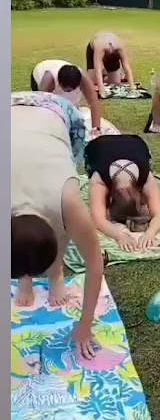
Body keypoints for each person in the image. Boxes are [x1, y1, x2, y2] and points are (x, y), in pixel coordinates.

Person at [11, 94, 103, 358]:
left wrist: (85, 325)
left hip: (54, 110)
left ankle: (56, 272)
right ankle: (25, 278)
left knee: (63, 213)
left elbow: (95, 264)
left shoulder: (68, 203)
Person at [85, 134, 160, 251]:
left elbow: (159, 215)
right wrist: (120, 236)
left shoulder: (146, 176)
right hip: (100, 144)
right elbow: (98, 220)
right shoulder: (99, 179)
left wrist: (150, 234)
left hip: (135, 142)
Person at [31, 60, 102, 132]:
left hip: (64, 77)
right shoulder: (48, 79)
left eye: (70, 90)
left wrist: (96, 129)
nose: (68, 91)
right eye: (67, 90)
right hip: (41, 73)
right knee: (50, 107)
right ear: (60, 83)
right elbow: (40, 103)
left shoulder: (83, 78)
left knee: (70, 107)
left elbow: (94, 102)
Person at [86, 32, 136, 98]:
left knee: (115, 82)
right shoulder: (99, 47)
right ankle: (103, 73)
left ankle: (106, 75)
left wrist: (132, 87)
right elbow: (98, 70)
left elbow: (127, 68)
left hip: (113, 50)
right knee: (93, 83)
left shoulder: (120, 47)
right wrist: (101, 90)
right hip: (92, 50)